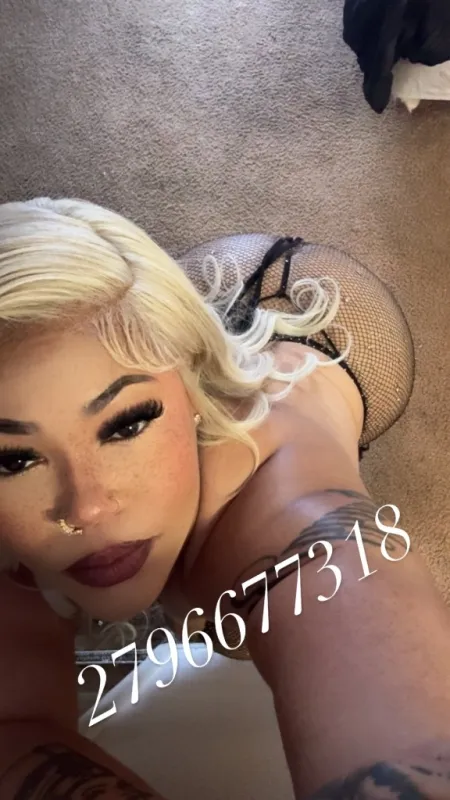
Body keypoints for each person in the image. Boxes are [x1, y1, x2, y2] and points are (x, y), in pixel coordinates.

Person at [0, 196, 448, 800]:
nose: (88, 510)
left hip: (335, 324)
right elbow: (16, 724)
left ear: (193, 394)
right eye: (14, 460)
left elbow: (402, 716)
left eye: (127, 424)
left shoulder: (292, 527)